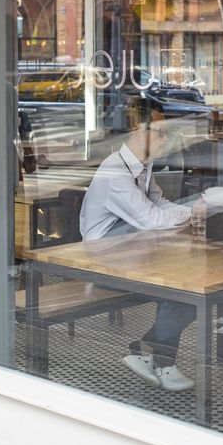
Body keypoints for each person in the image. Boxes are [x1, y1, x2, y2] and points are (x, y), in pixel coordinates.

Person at [80, 105, 196, 391]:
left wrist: (189, 209)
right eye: (159, 133)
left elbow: (160, 204)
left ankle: (143, 349)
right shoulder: (115, 171)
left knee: (187, 289)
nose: (165, 140)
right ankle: (163, 363)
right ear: (136, 132)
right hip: (102, 262)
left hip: (131, 253)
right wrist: (197, 209)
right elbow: (153, 219)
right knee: (179, 291)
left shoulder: (141, 168)